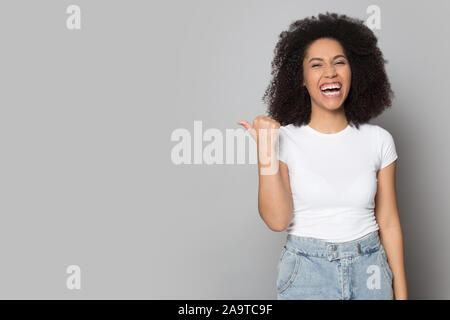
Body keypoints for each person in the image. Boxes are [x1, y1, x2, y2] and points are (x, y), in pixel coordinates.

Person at [237, 12, 407, 300]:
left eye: (339, 62)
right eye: (316, 65)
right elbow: (277, 221)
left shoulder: (379, 141)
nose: (330, 73)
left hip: (371, 270)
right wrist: (265, 150)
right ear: (301, 79)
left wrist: (401, 294)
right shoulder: (284, 139)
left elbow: (389, 221)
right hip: (307, 272)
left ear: (355, 71)